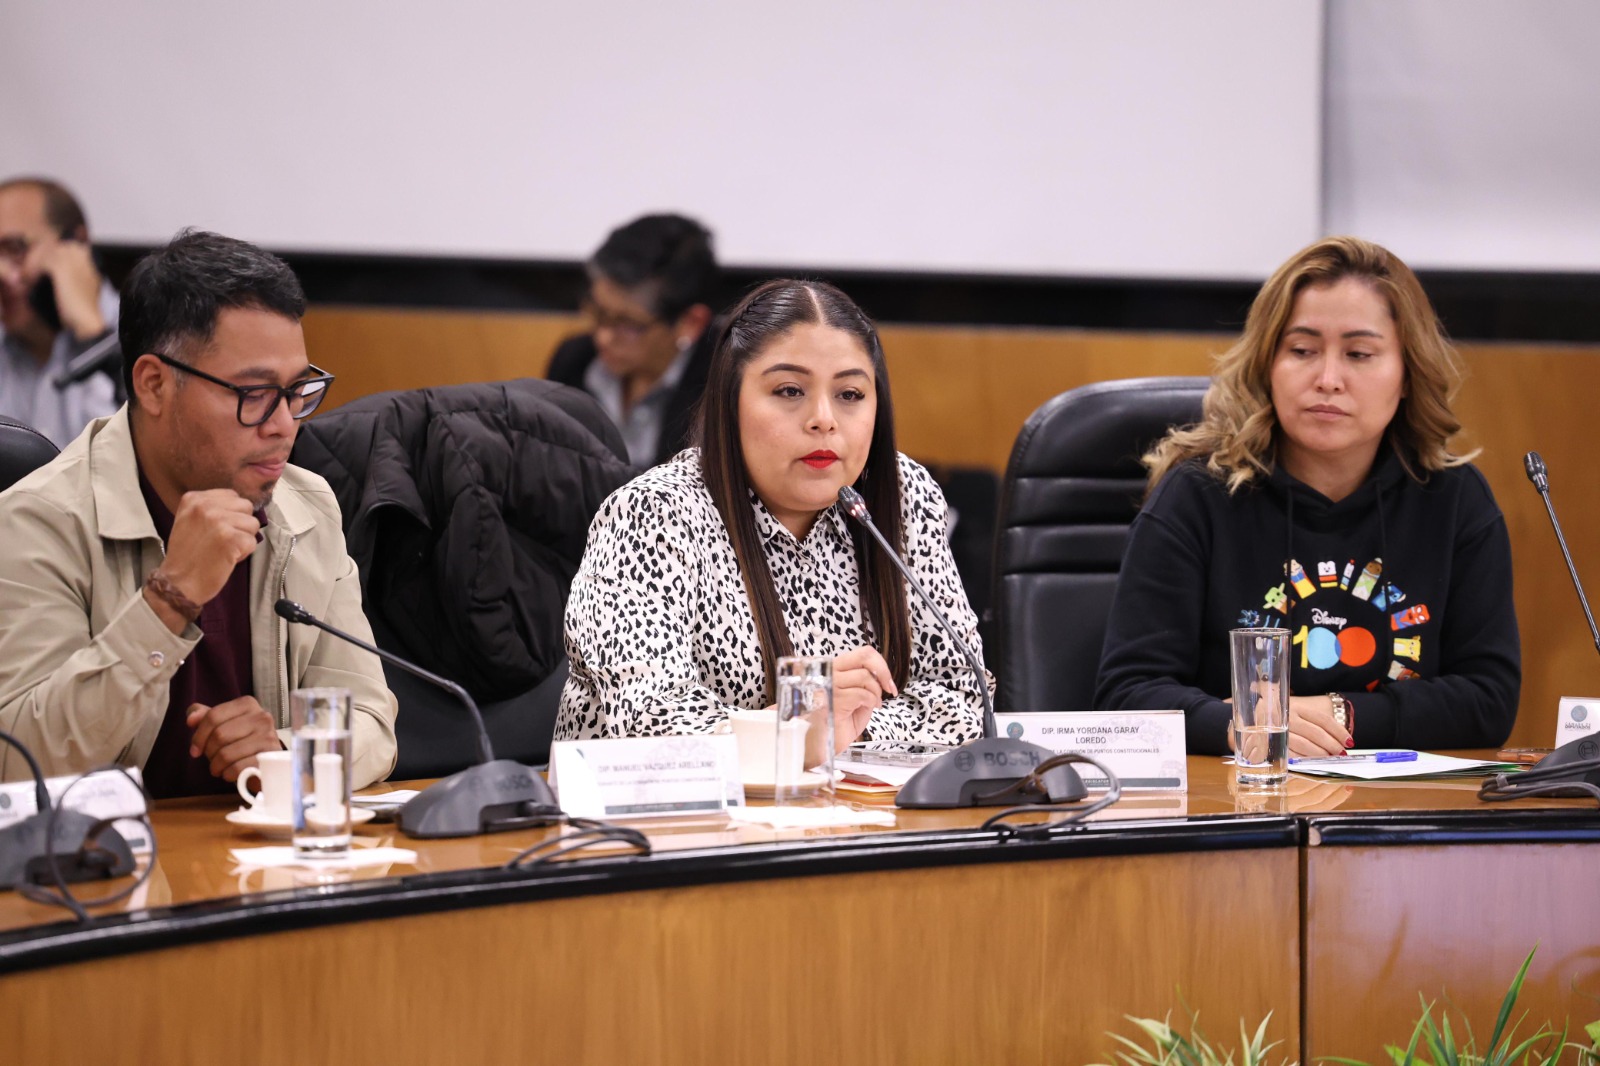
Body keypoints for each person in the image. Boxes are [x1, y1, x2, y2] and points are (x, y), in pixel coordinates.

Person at [0, 229, 398, 796]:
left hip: (250, 843)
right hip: (107, 849)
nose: (283, 424)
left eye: (297, 391)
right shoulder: (37, 521)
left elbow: (372, 720)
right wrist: (169, 601)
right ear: (154, 384)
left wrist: (283, 754)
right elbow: (18, 763)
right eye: (254, 394)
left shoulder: (304, 506)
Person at [1095, 236, 1520, 757]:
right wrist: (1243, 724)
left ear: (1408, 373)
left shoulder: (1454, 500)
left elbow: (1488, 700)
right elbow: (1127, 696)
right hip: (1238, 791)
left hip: (1396, 797)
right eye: (1302, 351)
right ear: (1267, 363)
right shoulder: (1197, 496)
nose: (1328, 379)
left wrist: (1339, 715)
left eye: (1359, 354)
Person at [555, 278, 988, 749]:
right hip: (653, 797)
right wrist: (800, 720)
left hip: (846, 796)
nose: (823, 419)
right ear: (731, 401)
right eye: (789, 390)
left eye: (849, 394)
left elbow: (964, 699)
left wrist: (849, 730)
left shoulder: (901, 496)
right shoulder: (651, 515)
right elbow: (653, 725)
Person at [546, 213, 718, 467]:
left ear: (691, 323)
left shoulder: (721, 385)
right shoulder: (574, 361)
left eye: (627, 325)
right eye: (599, 313)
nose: (603, 337)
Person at [0, 177, 120, 446]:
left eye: (16, 249)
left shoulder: (151, 335)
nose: (2, 272)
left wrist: (91, 331)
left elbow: (133, 456)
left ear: (75, 243)